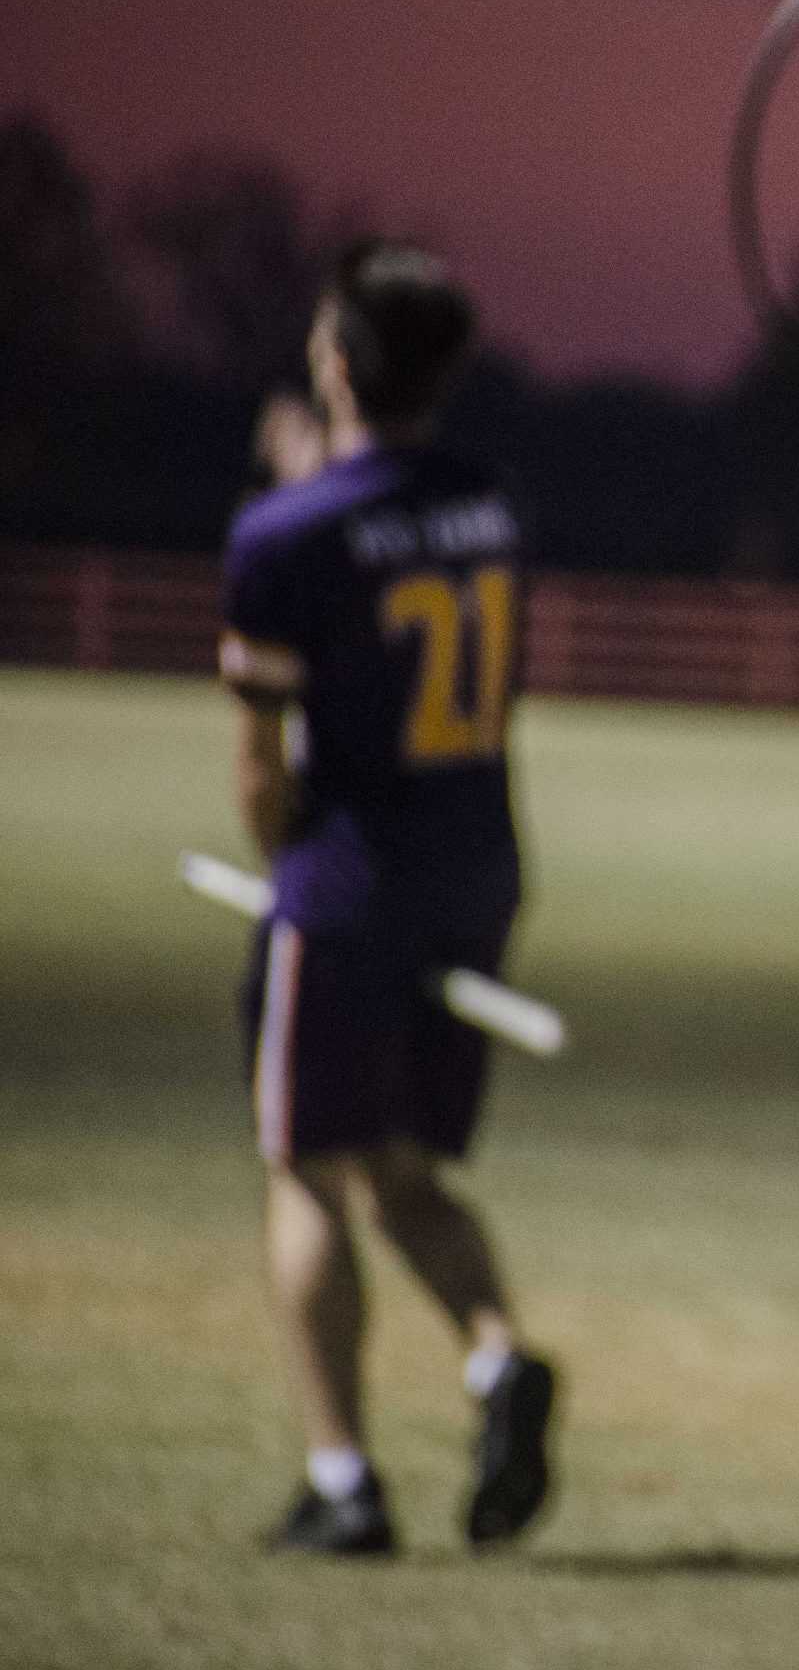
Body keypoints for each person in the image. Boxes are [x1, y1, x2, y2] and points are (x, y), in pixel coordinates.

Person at [219, 241, 557, 1557]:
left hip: (351, 878)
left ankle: (343, 1478)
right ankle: (495, 1360)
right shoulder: (495, 500)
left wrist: (286, 850)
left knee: (306, 1163)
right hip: (478, 864)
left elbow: (259, 768)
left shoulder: (281, 530)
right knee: (407, 1170)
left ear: (341, 366)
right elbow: (393, 537)